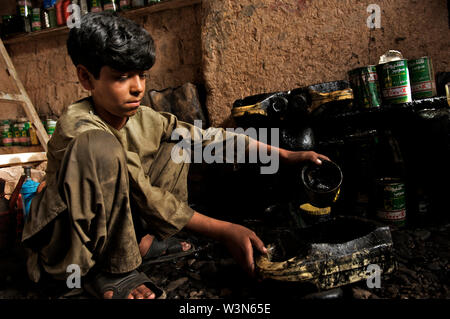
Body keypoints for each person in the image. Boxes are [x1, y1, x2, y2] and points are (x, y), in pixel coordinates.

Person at [22, 12, 330, 299]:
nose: (137, 88)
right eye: (121, 77)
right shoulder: (79, 127)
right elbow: (144, 192)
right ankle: (112, 271)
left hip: (119, 221)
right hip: (70, 240)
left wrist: (288, 155)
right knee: (102, 150)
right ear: (87, 78)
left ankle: (139, 244)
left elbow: (209, 139)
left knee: (178, 142)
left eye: (142, 75)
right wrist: (225, 230)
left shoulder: (142, 117)